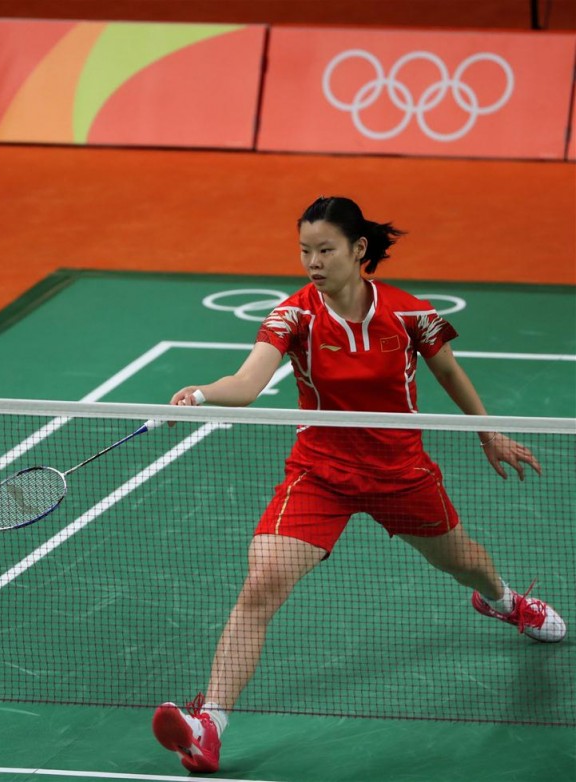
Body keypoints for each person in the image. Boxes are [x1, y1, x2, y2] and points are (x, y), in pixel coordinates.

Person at [151, 196, 566, 774]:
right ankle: (208, 726)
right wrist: (199, 395)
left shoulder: (409, 314)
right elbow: (246, 383)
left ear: (359, 249)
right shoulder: (293, 316)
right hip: (320, 472)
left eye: (325, 250)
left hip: (400, 473)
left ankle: (505, 602)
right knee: (261, 583)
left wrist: (486, 432)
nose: (313, 263)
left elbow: (448, 368)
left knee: (467, 563)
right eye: (304, 251)